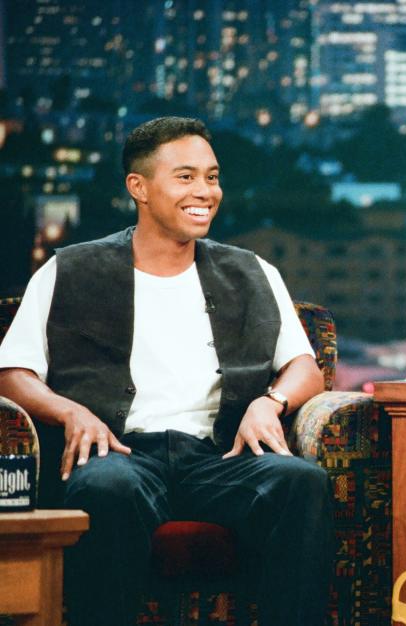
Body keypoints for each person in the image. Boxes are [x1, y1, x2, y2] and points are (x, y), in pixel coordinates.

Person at [0, 117, 333, 625]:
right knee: (106, 489)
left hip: (220, 455)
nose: (205, 191)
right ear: (139, 187)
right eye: (185, 177)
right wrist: (71, 412)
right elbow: (12, 373)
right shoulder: (69, 270)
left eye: (213, 176)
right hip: (120, 452)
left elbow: (305, 367)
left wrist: (272, 401)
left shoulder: (252, 271)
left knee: (300, 482)